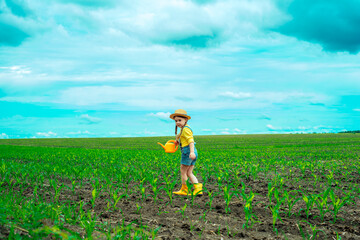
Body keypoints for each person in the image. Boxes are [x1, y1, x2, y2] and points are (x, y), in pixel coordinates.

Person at [170, 109, 203, 196]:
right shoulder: (184, 129)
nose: (177, 122)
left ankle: (184, 190)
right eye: (176, 121)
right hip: (192, 152)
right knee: (189, 172)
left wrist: (191, 152)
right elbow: (183, 138)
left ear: (186, 120)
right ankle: (198, 189)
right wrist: (177, 141)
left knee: (183, 172)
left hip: (188, 152)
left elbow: (190, 141)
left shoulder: (185, 129)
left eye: (179, 120)